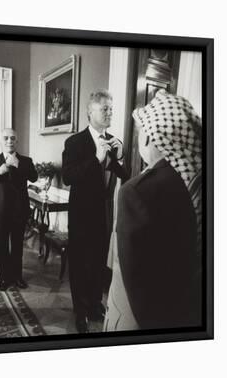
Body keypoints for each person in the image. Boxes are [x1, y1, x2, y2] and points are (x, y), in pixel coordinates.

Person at [104, 90, 202, 331]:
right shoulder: (192, 182)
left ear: (148, 137)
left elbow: (136, 283)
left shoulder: (136, 192)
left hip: (135, 319)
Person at [62, 89, 129, 333]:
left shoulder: (113, 140)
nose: (110, 113)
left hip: (104, 215)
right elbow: (67, 176)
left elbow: (125, 175)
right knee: (80, 264)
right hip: (81, 216)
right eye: (105, 109)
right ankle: (80, 311)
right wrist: (96, 158)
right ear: (91, 112)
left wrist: (119, 156)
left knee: (99, 262)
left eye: (111, 108)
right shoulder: (74, 142)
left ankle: (93, 304)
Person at [0, 129, 38, 290]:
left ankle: (17, 277)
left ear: (16, 141)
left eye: (13, 138)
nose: (9, 141)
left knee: (18, 246)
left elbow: (34, 177)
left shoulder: (26, 160)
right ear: (0, 141)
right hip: (0, 211)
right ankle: (4, 278)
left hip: (20, 210)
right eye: (6, 138)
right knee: (2, 246)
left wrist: (19, 166)